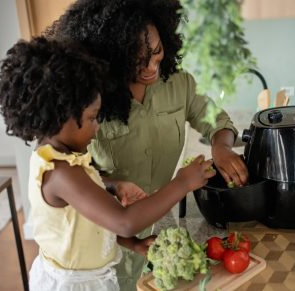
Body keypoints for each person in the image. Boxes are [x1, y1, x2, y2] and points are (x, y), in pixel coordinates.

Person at [45, 0, 249, 289]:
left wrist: (221, 147)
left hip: (150, 233)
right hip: (100, 233)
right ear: (111, 58)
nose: (152, 67)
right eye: (137, 61)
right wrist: (116, 183)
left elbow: (218, 121)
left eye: (156, 53)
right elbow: (77, 172)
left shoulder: (180, 83)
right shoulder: (88, 101)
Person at [0, 36, 215, 291]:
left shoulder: (57, 157)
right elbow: (124, 221)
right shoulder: (61, 172)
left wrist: (131, 241)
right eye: (92, 118)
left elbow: (89, 220)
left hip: (89, 276)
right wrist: (182, 183)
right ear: (59, 119)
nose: (97, 128)